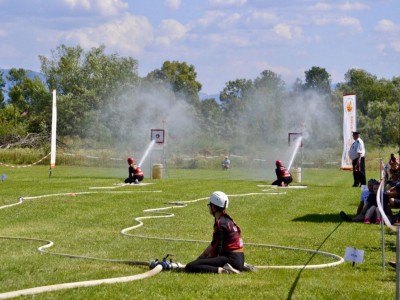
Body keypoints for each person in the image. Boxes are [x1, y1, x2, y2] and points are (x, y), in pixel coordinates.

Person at [185, 191, 244, 274]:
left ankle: (224, 271)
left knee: (190, 266)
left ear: (213, 207)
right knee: (199, 262)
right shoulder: (226, 220)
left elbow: (217, 249)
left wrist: (205, 260)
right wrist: (201, 258)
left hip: (231, 260)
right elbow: (214, 243)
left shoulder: (220, 223)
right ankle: (237, 267)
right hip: (238, 259)